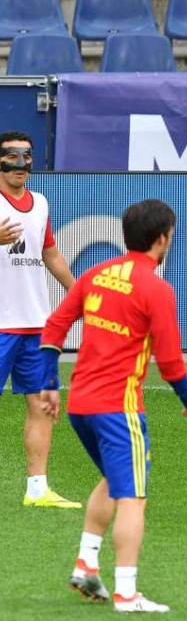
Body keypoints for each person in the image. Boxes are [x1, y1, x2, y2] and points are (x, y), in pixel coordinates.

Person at [38, 199, 187, 613]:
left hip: (81, 404)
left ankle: (86, 562)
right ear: (162, 238)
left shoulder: (96, 275)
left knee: (115, 481)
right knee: (133, 496)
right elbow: (169, 362)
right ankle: (127, 593)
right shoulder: (157, 289)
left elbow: (56, 324)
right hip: (118, 409)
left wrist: (47, 382)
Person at [0, 130, 79, 509]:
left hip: (35, 326)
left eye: (26, 156)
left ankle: (37, 489)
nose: (19, 163)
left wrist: (78, 292)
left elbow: (50, 253)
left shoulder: (42, 203)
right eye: (11, 155)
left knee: (42, 405)